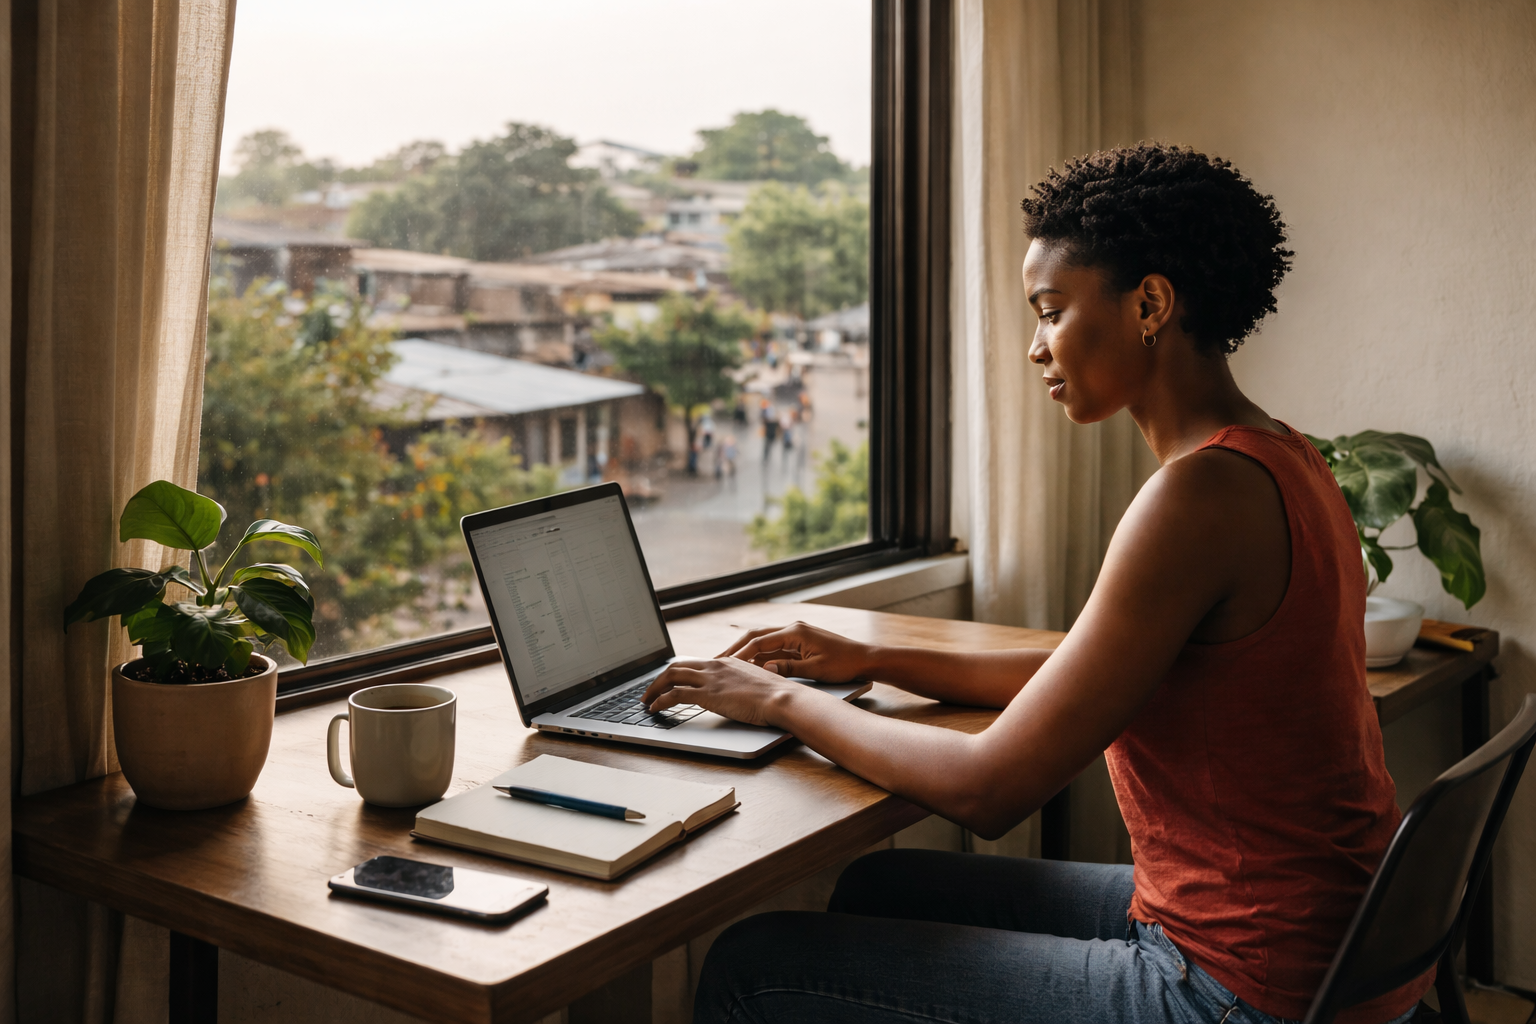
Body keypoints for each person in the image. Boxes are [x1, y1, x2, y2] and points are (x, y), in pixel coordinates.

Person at [644, 145, 1426, 1024]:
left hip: (1247, 987)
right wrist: (868, 652)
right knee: (882, 881)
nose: (1034, 346)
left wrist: (776, 702)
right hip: (1339, 944)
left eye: (1050, 311)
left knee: (752, 965)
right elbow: (1088, 681)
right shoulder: (1283, 455)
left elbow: (992, 789)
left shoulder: (1195, 497)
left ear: (1150, 304)